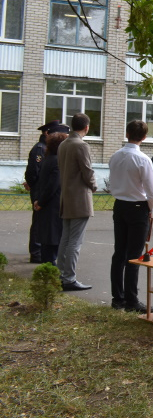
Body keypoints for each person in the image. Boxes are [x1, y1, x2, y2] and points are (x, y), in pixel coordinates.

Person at [108, 120, 153, 313]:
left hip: (120, 205)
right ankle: (131, 301)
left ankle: (117, 298)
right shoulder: (143, 159)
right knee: (134, 256)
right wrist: (151, 209)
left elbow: (113, 181)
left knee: (119, 253)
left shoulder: (115, 156)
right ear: (144, 137)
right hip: (138, 208)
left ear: (127, 133)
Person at [56, 113, 97, 291]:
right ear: (86, 127)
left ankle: (61, 274)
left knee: (65, 239)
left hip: (66, 197)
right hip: (79, 198)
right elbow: (87, 171)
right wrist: (94, 185)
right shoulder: (81, 145)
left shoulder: (63, 144)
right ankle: (69, 278)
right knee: (75, 241)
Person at [32, 126, 70, 264]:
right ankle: (52, 273)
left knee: (48, 243)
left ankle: (48, 270)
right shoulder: (56, 161)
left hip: (48, 206)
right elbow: (52, 186)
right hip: (52, 207)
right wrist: (41, 202)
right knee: (52, 243)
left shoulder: (49, 158)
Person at [25, 120, 60, 263]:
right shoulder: (40, 148)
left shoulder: (46, 148)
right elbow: (34, 171)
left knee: (41, 220)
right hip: (39, 190)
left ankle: (39, 250)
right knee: (39, 221)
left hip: (41, 189)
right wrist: (33, 185)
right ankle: (36, 252)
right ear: (47, 133)